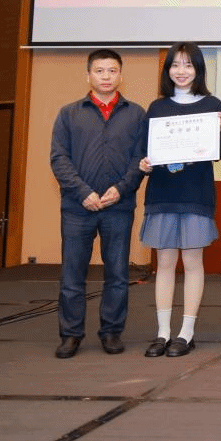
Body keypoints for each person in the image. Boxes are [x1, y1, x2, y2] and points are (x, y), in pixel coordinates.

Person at [49, 49, 147, 358]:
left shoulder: (136, 114)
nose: (106, 76)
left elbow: (141, 158)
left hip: (119, 206)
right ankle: (70, 334)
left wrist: (121, 188)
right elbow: (59, 158)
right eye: (100, 71)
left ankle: (111, 332)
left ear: (121, 75)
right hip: (77, 208)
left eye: (112, 71)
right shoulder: (69, 113)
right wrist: (82, 192)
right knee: (72, 275)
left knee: (117, 274)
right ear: (88, 75)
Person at [139, 42, 221, 358]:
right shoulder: (157, 107)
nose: (181, 71)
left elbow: (220, 152)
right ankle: (162, 332)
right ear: (167, 70)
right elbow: (144, 151)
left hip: (195, 194)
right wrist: (144, 162)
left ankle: (186, 332)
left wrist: (220, 130)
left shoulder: (212, 104)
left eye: (188, 65)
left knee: (192, 263)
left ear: (198, 69)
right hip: (162, 194)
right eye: (175, 65)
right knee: (164, 264)